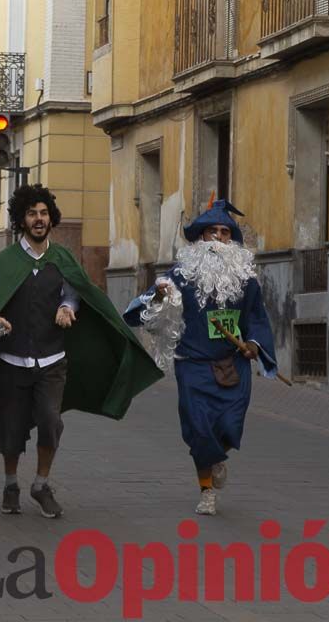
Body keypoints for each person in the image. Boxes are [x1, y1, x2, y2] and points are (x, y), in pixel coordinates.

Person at [0, 185, 164, 518]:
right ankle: (10, 483)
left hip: (52, 359)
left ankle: (41, 485)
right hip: (11, 359)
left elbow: (75, 292)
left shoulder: (62, 259)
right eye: (32, 213)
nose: (39, 219)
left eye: (44, 213)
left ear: (51, 218)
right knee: (10, 428)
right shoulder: (5, 261)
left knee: (50, 422)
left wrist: (67, 306)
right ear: (22, 219)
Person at [123, 200, 278, 517]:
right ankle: (206, 491)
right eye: (212, 232)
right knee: (199, 428)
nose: (219, 238)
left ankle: (216, 457)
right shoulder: (180, 275)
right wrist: (160, 296)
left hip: (233, 364)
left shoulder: (245, 279)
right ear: (200, 238)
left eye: (225, 232)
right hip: (193, 365)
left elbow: (257, 319)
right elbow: (145, 309)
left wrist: (252, 344)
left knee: (229, 426)